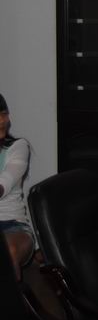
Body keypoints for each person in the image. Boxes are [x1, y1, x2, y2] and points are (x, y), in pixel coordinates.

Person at [0, 93, 34, 279]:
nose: (2, 121)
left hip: (12, 226)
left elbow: (4, 182)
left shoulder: (18, 147)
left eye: (4, 114)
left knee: (7, 251)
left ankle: (11, 297)